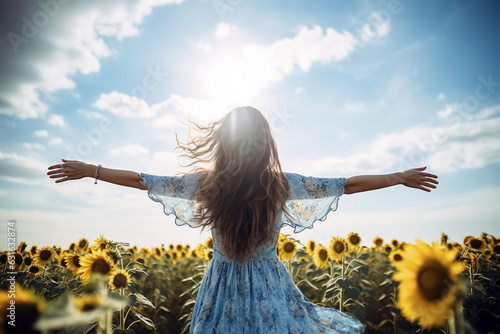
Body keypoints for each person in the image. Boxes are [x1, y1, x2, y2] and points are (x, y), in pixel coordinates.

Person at [47, 106, 438, 333]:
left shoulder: (232, 185)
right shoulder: (262, 185)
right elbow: (346, 185)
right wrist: (397, 178)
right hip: (254, 285)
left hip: (235, 286)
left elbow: (346, 184)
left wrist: (93, 170)